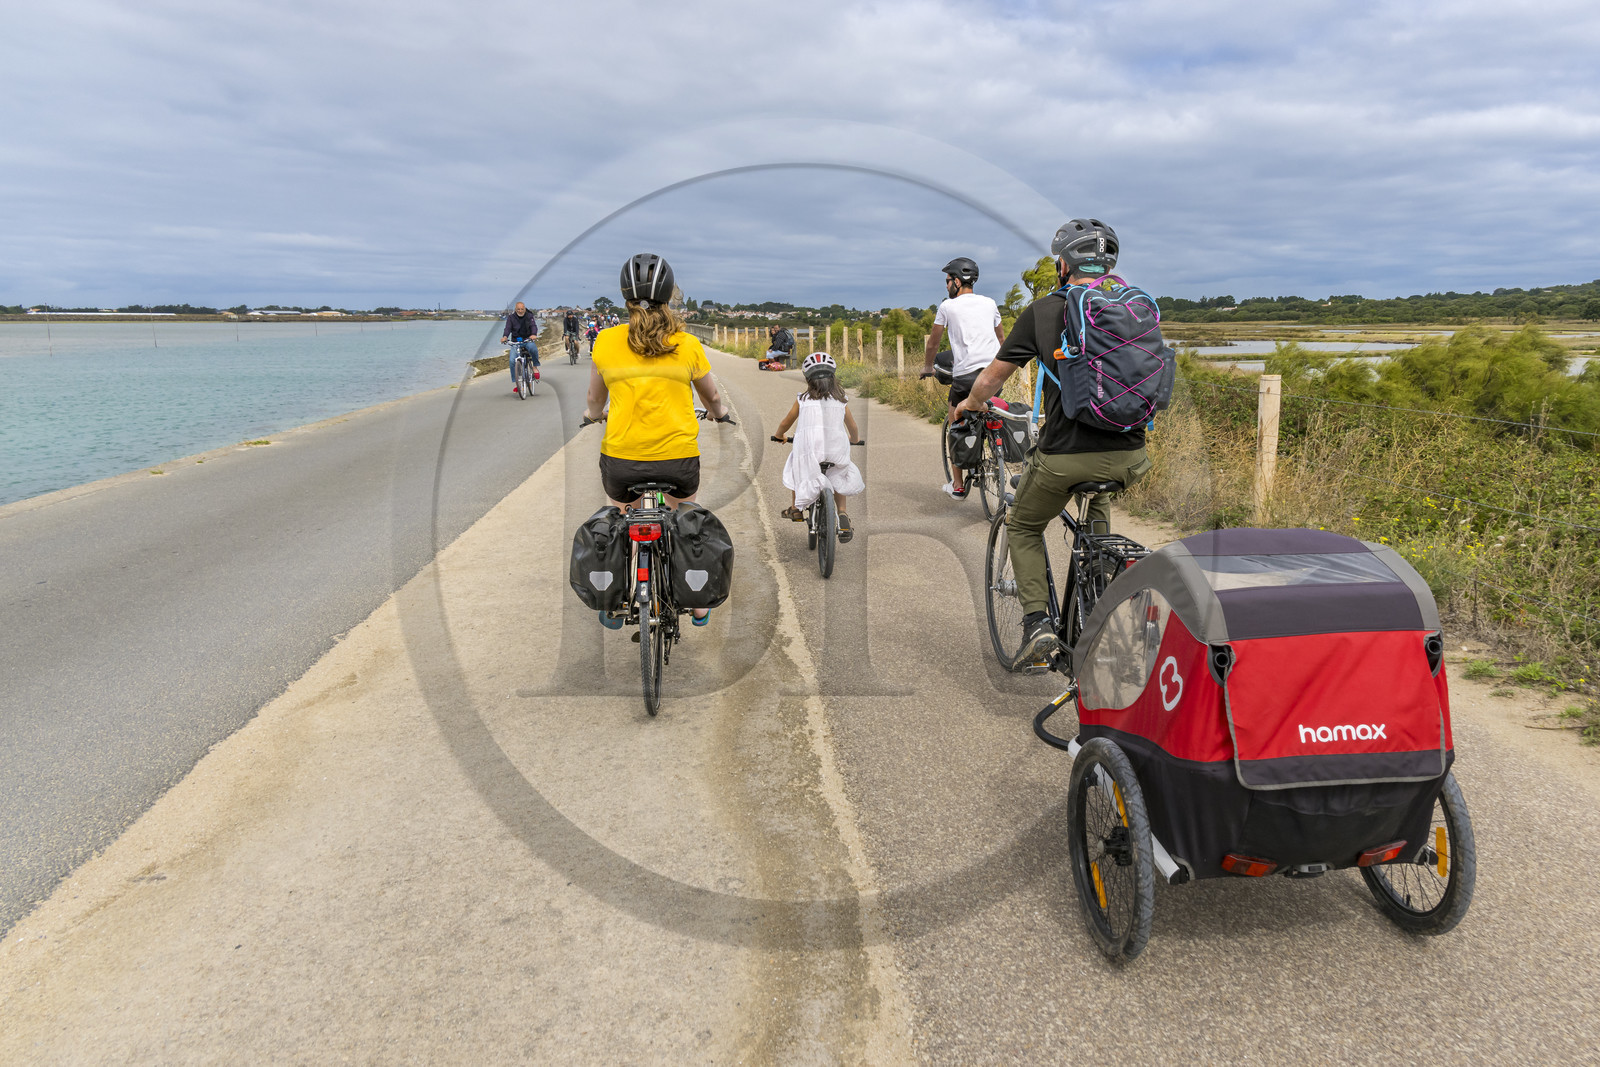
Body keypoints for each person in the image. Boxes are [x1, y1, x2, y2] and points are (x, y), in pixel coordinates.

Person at [954, 219, 1152, 662]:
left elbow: (992, 378)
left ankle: (1037, 626)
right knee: (1096, 505)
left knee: (1023, 525)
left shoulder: (1044, 311)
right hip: (1130, 455)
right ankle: (1098, 594)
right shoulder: (1133, 307)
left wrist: (971, 403)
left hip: (1066, 456)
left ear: (1063, 265)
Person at [584, 253, 734, 624]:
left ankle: (614, 601)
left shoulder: (605, 340)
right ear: (668, 295)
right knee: (686, 521)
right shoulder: (687, 343)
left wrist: (592, 417)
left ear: (625, 296)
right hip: (677, 460)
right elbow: (712, 397)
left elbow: (594, 400)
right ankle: (698, 604)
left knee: (621, 523)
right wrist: (720, 416)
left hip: (622, 461)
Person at [921, 257, 1003, 499]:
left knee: (954, 421)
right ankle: (997, 448)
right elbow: (1002, 340)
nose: (947, 285)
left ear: (957, 281)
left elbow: (933, 343)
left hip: (966, 377)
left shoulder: (947, 306)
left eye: (948, 280)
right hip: (994, 375)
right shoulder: (990, 303)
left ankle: (957, 486)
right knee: (990, 408)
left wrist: (928, 367)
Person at [771, 352, 864, 541]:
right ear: (833, 377)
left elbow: (786, 422)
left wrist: (779, 435)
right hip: (836, 451)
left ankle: (796, 508)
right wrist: (854, 439)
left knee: (797, 465)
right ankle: (842, 513)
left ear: (808, 379)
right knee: (838, 474)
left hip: (809, 451)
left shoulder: (803, 400)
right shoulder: (841, 400)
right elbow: (853, 427)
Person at [501, 300, 539, 394]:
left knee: (533, 349)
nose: (520, 311)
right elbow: (507, 328)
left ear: (524, 309)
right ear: (515, 309)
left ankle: (535, 367)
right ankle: (517, 383)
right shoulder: (511, 317)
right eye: (518, 309)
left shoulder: (529, 316)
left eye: (522, 309)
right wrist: (505, 337)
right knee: (511, 360)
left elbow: (533, 326)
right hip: (516, 342)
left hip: (527, 340)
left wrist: (534, 334)